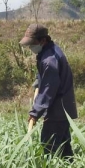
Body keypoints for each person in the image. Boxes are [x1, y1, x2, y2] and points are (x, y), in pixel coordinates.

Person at [20, 24, 78, 159]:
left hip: (57, 109)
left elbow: (48, 89)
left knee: (49, 145)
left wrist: (35, 113)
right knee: (63, 146)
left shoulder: (49, 60)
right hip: (63, 108)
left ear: (42, 40)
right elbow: (43, 77)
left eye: (32, 43)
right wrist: (37, 82)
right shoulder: (49, 51)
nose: (30, 47)